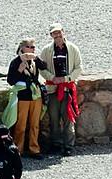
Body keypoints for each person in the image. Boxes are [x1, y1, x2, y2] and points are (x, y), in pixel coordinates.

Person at [39, 24, 83, 155]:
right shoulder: (47, 50)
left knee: (68, 118)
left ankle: (69, 145)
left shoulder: (73, 49)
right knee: (54, 118)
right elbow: (42, 68)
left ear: (63, 32)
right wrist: (52, 77)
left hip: (67, 88)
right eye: (54, 33)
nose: (57, 36)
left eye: (59, 33)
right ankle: (56, 143)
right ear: (51, 35)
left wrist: (67, 78)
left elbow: (79, 67)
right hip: (53, 88)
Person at [6, 39, 46, 157]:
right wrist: (19, 70)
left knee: (35, 124)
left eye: (33, 47)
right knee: (21, 125)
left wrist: (36, 57)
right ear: (22, 48)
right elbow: (11, 81)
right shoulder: (16, 62)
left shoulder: (34, 61)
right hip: (23, 96)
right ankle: (18, 149)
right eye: (29, 47)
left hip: (35, 96)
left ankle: (34, 149)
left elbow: (44, 66)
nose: (32, 49)